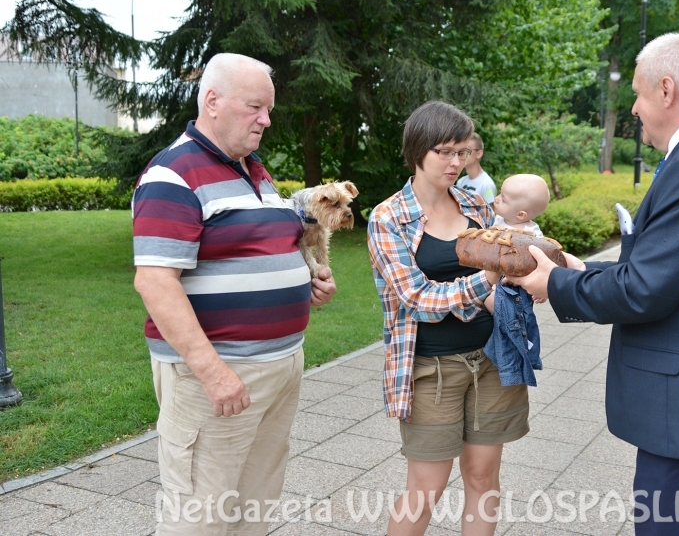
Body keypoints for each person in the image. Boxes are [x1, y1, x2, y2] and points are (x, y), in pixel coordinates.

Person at [509, 33, 679, 536]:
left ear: (665, 89)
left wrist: (556, 284)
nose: (633, 108)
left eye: (636, 94)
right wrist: (579, 269)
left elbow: (645, 290)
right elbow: (671, 270)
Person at [132, 53, 337, 536]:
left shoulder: (254, 170)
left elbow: (256, 250)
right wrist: (213, 372)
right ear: (213, 101)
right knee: (200, 513)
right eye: (254, 107)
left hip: (279, 367)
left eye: (268, 109)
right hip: (221, 376)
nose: (265, 119)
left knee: (255, 504)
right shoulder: (174, 174)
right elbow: (155, 282)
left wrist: (305, 280)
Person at [367, 101, 529, 536]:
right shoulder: (388, 218)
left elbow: (511, 257)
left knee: (482, 478)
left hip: (491, 359)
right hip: (429, 369)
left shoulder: (474, 204)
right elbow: (416, 298)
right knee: (426, 488)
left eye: (463, 152)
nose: (457, 162)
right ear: (418, 150)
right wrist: (488, 277)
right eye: (445, 152)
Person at [455, 132, 496, 205]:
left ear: (479, 154)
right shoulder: (460, 182)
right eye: (461, 151)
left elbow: (490, 214)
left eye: (467, 151)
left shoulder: (487, 184)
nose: (463, 155)